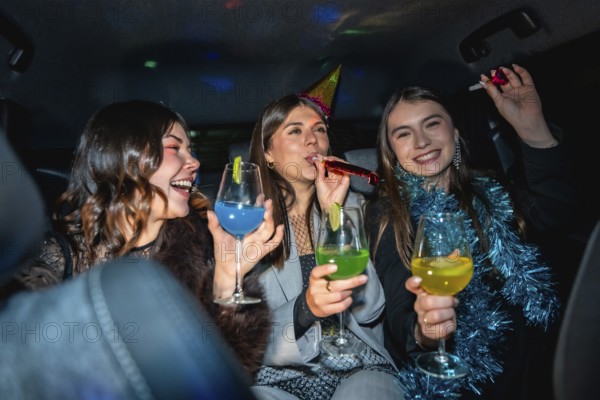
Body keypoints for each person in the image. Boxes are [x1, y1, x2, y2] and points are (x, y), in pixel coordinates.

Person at [0, 100, 284, 377]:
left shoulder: (201, 252)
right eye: (175, 147)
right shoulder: (59, 257)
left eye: (191, 150)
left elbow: (225, 373)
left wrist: (226, 277)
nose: (194, 162)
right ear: (125, 157)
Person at [365, 64, 561, 399]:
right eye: (404, 133)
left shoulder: (490, 188)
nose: (422, 141)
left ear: (454, 133)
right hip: (468, 378)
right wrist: (426, 330)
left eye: (432, 124)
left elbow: (559, 213)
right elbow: (400, 304)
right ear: (392, 152)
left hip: (533, 352)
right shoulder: (388, 214)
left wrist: (533, 130)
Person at [247, 94, 405, 400]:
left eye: (319, 130)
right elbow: (245, 329)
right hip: (278, 371)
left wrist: (335, 213)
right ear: (268, 153)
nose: (313, 141)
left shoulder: (358, 208)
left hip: (359, 364)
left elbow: (371, 309)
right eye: (295, 131)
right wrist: (305, 310)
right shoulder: (248, 223)